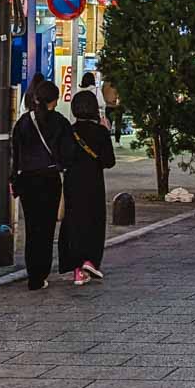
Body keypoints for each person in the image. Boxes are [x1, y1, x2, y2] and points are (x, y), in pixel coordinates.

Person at [11, 80, 76, 291]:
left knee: (32, 227)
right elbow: (68, 154)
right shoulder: (60, 122)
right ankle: (42, 273)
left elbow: (16, 155)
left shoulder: (23, 122)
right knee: (47, 229)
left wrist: (15, 180)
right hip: (49, 179)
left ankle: (33, 275)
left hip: (28, 180)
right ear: (54, 100)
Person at [58, 90, 115, 285]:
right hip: (94, 182)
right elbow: (109, 161)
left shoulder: (69, 131)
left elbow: (62, 159)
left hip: (73, 182)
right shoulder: (100, 132)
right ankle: (90, 260)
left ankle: (77, 269)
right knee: (94, 220)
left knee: (74, 222)